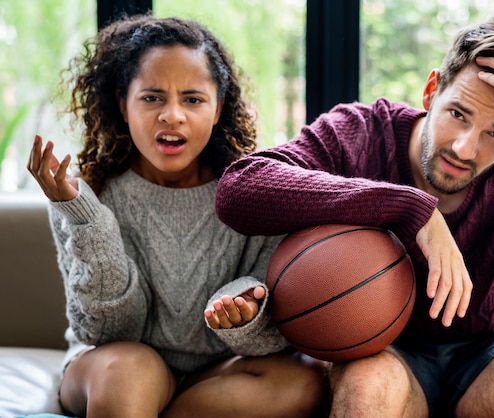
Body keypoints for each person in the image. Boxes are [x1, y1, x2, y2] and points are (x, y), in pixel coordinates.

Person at [215, 13, 494, 417]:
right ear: (431, 91)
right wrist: (410, 208)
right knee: (368, 382)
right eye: (459, 114)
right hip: (383, 353)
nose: (466, 149)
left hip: (488, 359)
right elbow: (239, 189)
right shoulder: (361, 132)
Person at [27, 14, 328, 418]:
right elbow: (109, 332)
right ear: (123, 103)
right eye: (152, 97)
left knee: (304, 381)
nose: (173, 115)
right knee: (131, 373)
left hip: (215, 372)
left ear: (218, 107)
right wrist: (86, 218)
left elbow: (271, 339)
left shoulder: (254, 192)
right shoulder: (83, 194)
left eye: (192, 99)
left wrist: (243, 312)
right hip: (112, 366)